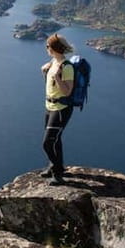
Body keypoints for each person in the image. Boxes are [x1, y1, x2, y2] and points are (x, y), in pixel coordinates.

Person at [39, 33, 75, 186]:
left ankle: (57, 172)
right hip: (50, 106)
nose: (46, 48)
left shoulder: (66, 67)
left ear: (53, 48)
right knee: (56, 140)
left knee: (47, 143)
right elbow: (51, 86)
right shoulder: (53, 62)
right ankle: (53, 166)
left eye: (47, 46)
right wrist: (45, 72)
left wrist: (57, 77)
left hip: (61, 109)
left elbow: (67, 91)